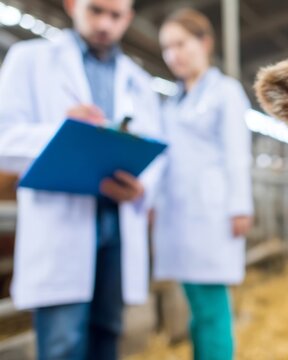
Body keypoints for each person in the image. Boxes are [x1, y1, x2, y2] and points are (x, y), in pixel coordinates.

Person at [0, 0, 163, 358]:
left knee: (109, 332)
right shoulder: (29, 60)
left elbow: (155, 152)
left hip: (118, 221)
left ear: (129, 18)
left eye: (115, 15)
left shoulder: (139, 81)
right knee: (63, 342)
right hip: (61, 219)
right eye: (96, 10)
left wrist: (143, 187)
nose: (105, 23)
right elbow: (3, 139)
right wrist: (61, 132)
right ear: (72, 4)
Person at [154, 8, 254, 360]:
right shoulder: (172, 102)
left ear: (205, 42)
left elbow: (237, 153)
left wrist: (240, 206)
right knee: (196, 304)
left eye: (180, 43)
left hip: (213, 215)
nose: (173, 55)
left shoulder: (224, 91)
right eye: (167, 47)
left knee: (210, 308)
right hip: (179, 215)